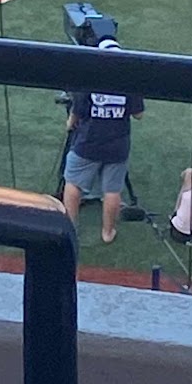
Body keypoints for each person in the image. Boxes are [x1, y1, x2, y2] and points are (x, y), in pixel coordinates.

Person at [62, 37, 144, 244]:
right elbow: (139, 114)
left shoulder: (91, 79)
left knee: (73, 184)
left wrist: (70, 123)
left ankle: (70, 229)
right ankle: (108, 233)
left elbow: (76, 113)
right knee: (112, 190)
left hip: (88, 142)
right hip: (118, 145)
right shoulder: (129, 81)